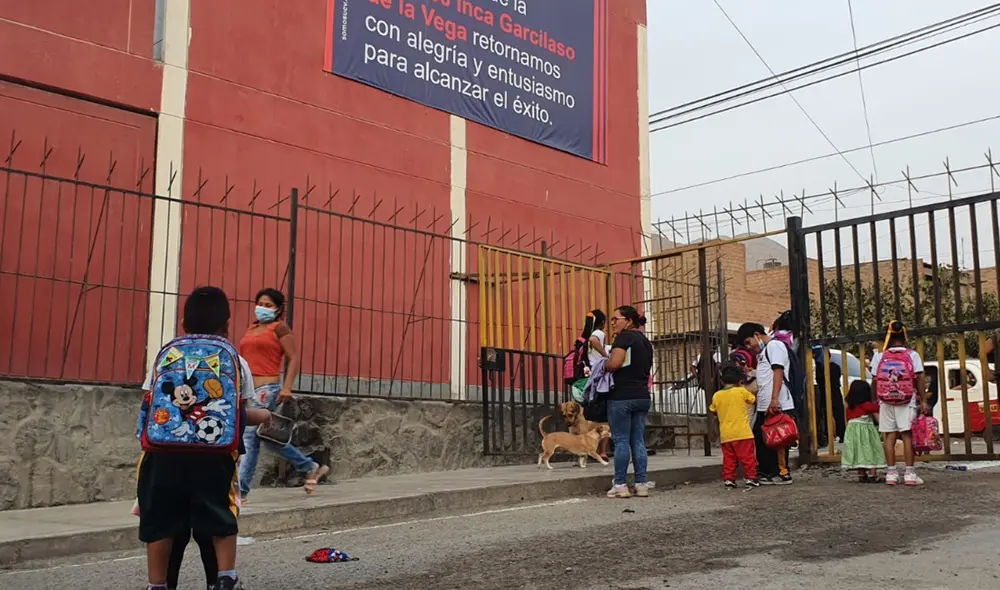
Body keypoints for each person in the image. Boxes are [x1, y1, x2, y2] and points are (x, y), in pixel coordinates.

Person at [137, 286, 255, 590]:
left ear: (184, 323)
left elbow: (149, 402)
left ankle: (156, 584)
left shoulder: (168, 353)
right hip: (214, 457)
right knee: (220, 516)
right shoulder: (237, 361)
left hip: (163, 454)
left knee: (160, 520)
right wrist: (264, 417)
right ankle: (226, 578)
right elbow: (239, 413)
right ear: (226, 325)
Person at [239, 288, 329, 499]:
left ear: (278, 309)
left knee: (251, 437)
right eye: (260, 303)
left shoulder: (279, 329)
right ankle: (310, 466)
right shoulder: (251, 329)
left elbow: (294, 357)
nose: (262, 308)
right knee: (269, 438)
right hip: (249, 389)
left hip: (267, 389)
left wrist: (286, 386)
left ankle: (240, 491)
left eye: (268, 305)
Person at [737, 322, 796, 486]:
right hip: (765, 404)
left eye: (749, 342)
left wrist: (775, 399)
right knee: (762, 438)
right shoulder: (763, 353)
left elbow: (778, 370)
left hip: (777, 403)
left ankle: (781, 473)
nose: (749, 347)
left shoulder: (775, 346)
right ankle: (766, 472)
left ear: (757, 334)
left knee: (778, 439)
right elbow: (767, 373)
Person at [604, 306, 653, 498]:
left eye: (616, 319)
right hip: (642, 395)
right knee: (638, 440)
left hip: (622, 396)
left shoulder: (623, 338)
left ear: (629, 321)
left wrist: (604, 365)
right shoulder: (646, 342)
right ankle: (641, 484)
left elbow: (615, 363)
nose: (613, 323)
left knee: (622, 440)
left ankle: (620, 485)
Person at [871, 321, 928, 487]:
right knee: (906, 434)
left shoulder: (879, 356)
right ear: (904, 336)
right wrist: (923, 400)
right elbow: (919, 378)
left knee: (888, 436)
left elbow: (874, 380)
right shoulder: (912, 355)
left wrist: (875, 398)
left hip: (885, 400)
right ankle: (909, 473)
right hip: (906, 399)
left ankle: (891, 473)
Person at [710, 364, 759, 489]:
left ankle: (729, 479)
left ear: (722, 381)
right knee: (748, 457)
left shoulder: (717, 395)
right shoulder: (741, 391)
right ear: (739, 381)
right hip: (743, 432)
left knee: (729, 459)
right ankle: (751, 478)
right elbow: (752, 399)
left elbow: (713, 409)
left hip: (726, 434)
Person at [841, 381, 886, 483]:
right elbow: (879, 418)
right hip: (865, 433)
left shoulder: (849, 407)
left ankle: (862, 474)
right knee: (870, 450)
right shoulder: (867, 405)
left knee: (859, 452)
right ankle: (872, 474)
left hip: (852, 434)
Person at [812, 346, 846, 446]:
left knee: (825, 415)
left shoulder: (819, 367)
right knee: (838, 415)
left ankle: (828, 435)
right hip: (835, 392)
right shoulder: (835, 366)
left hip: (825, 393)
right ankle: (842, 435)